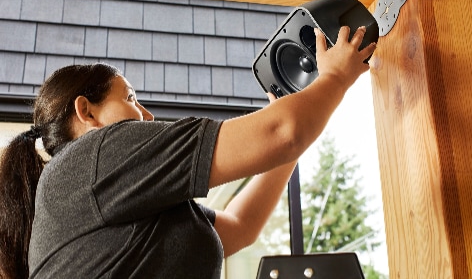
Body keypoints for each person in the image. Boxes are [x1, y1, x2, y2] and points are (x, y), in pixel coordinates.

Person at [0, 26, 376, 279]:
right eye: (130, 98)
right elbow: (282, 131)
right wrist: (334, 79)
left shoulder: (126, 196)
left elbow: (241, 228)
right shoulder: (94, 157)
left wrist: (300, 125)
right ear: (87, 112)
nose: (147, 115)